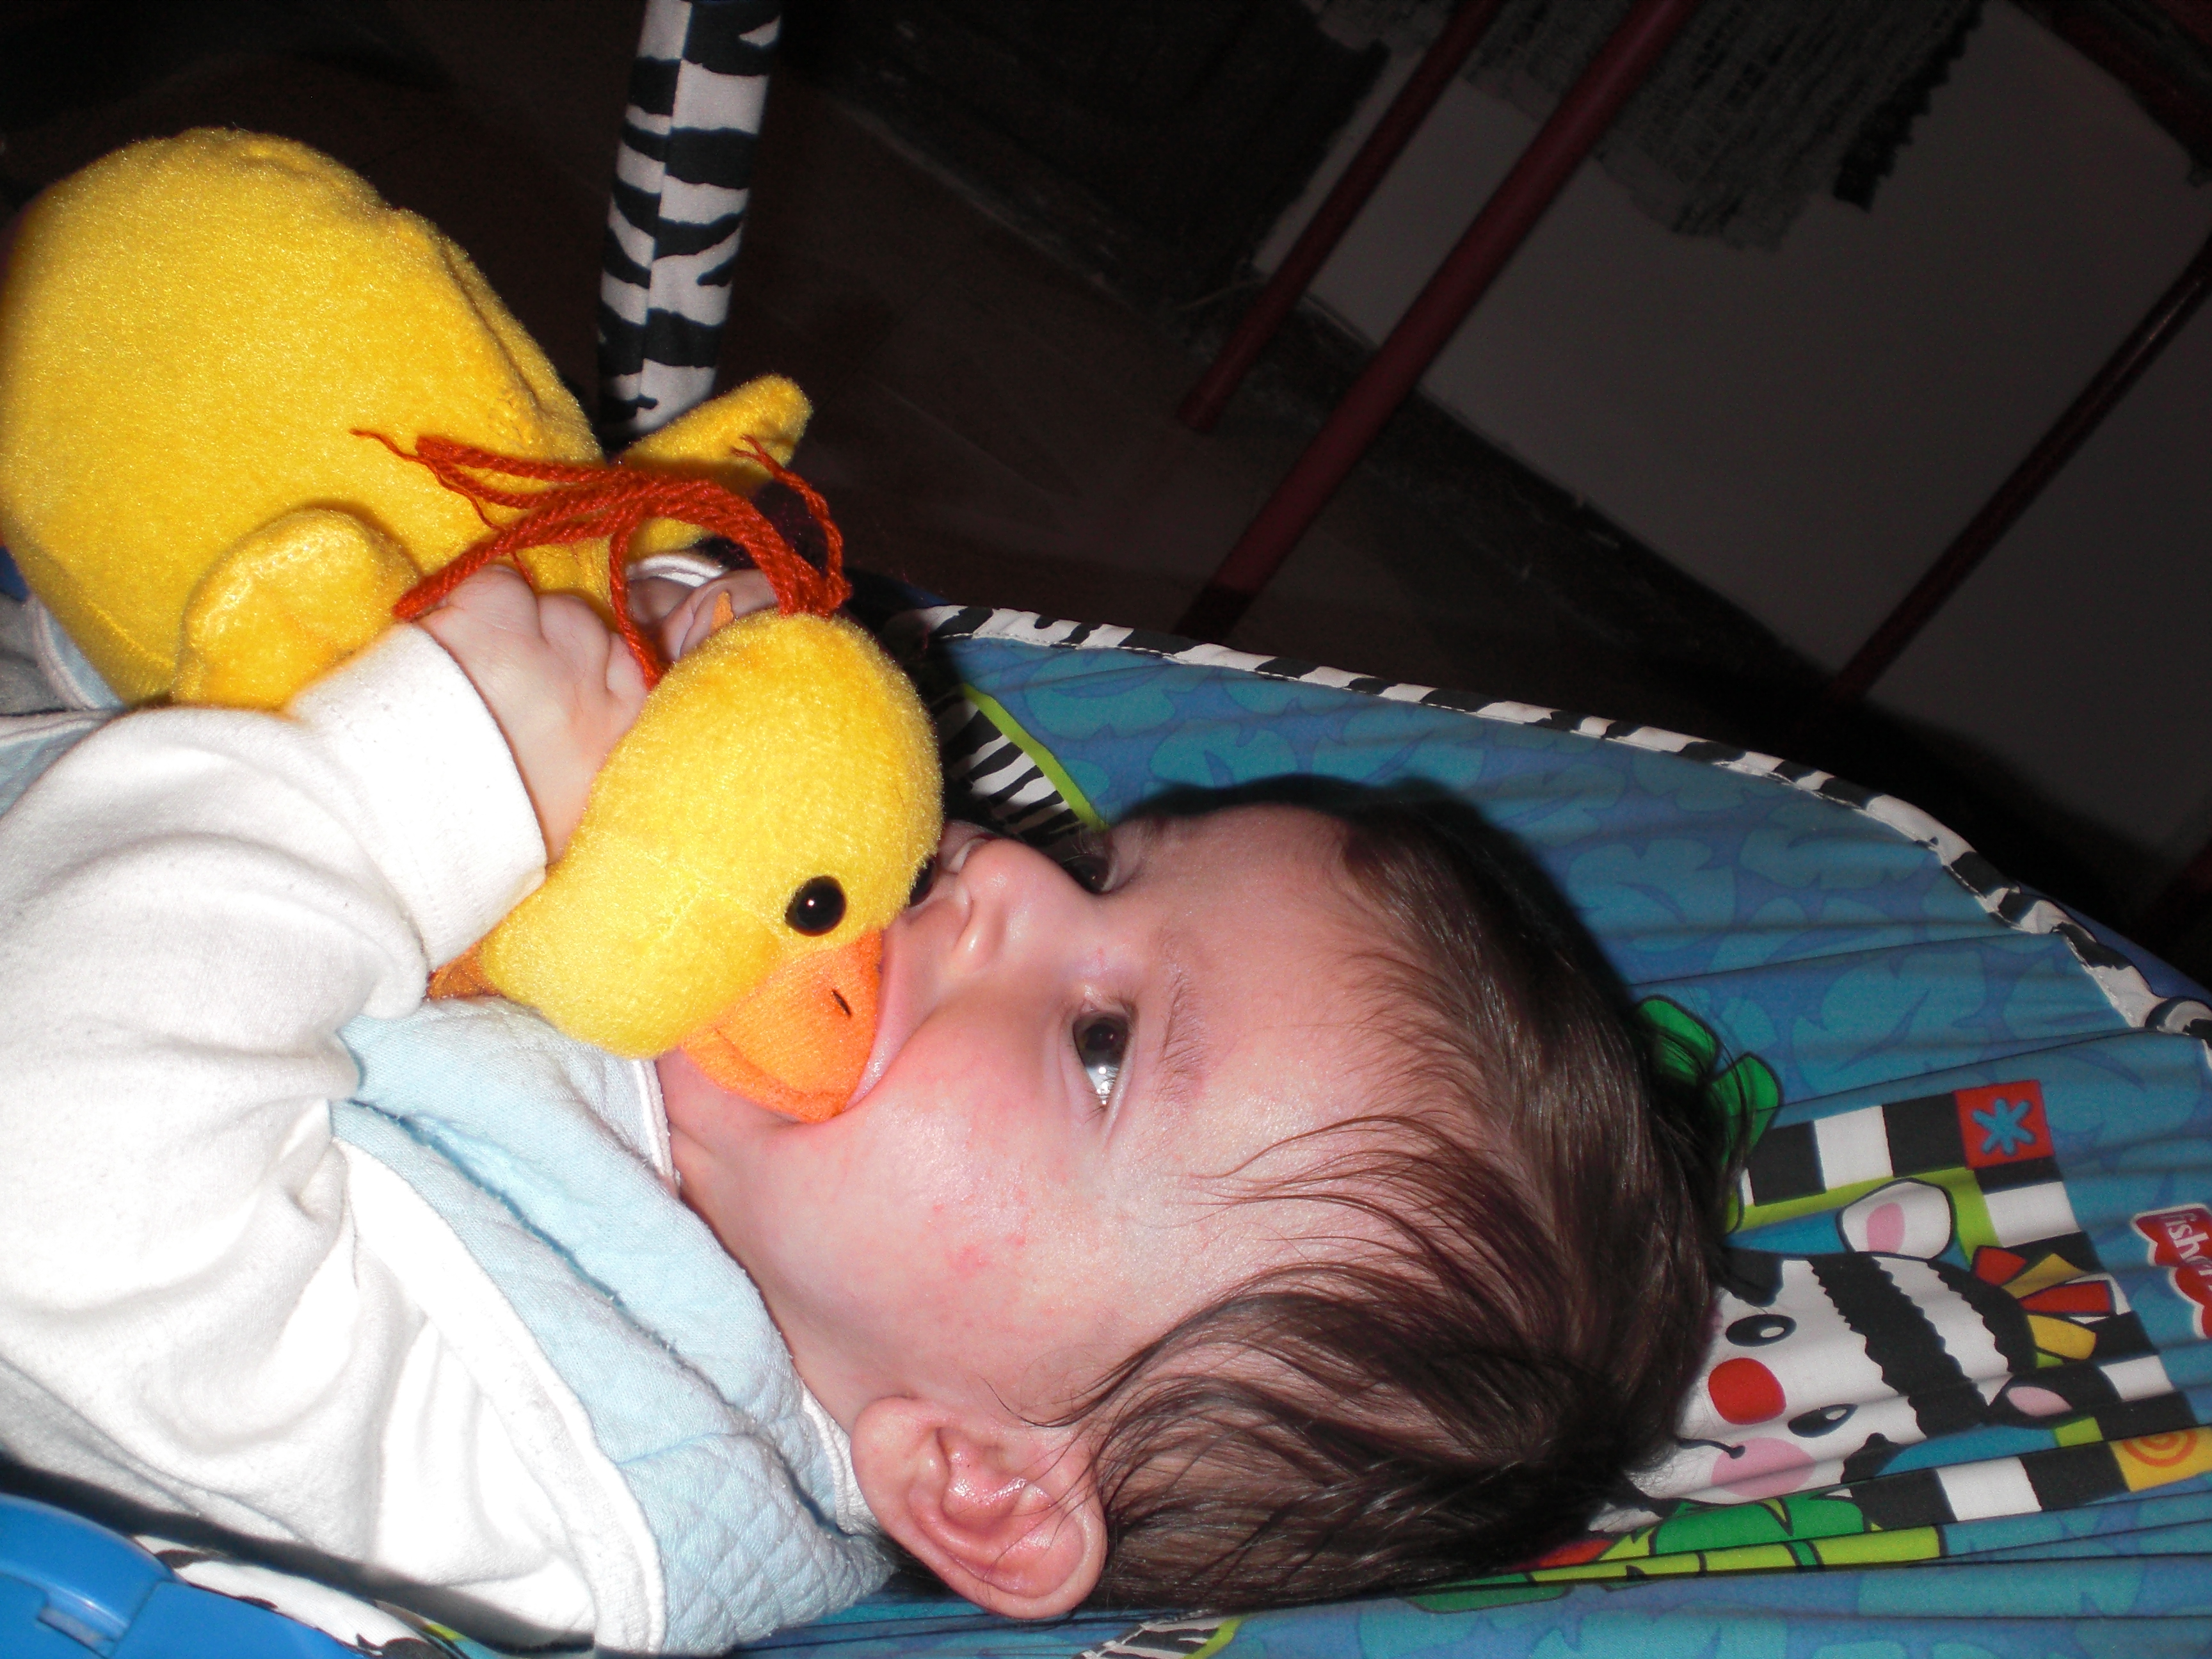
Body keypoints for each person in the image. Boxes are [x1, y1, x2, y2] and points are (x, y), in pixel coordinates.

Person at [0, 557, 1729, 1649]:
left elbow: (61, 1170)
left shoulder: (563, 1496)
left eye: (1102, 1044)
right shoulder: (750, 1126)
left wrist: (427, 783)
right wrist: (670, 666)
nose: (998, 868)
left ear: (977, 1479)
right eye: (1099, 865)